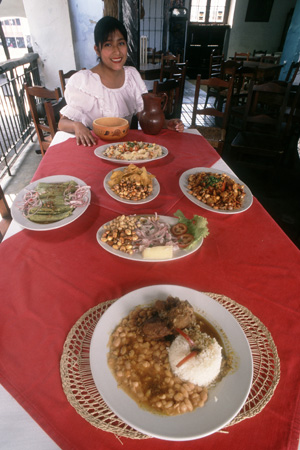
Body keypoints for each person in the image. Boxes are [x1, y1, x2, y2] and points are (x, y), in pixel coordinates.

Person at [58, 16, 184, 146]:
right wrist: (77, 126)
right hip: (93, 147)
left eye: (121, 43)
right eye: (108, 45)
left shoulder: (132, 76)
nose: (117, 51)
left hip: (125, 149)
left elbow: (144, 116)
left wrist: (165, 123)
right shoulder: (83, 81)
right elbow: (62, 123)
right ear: (97, 50)